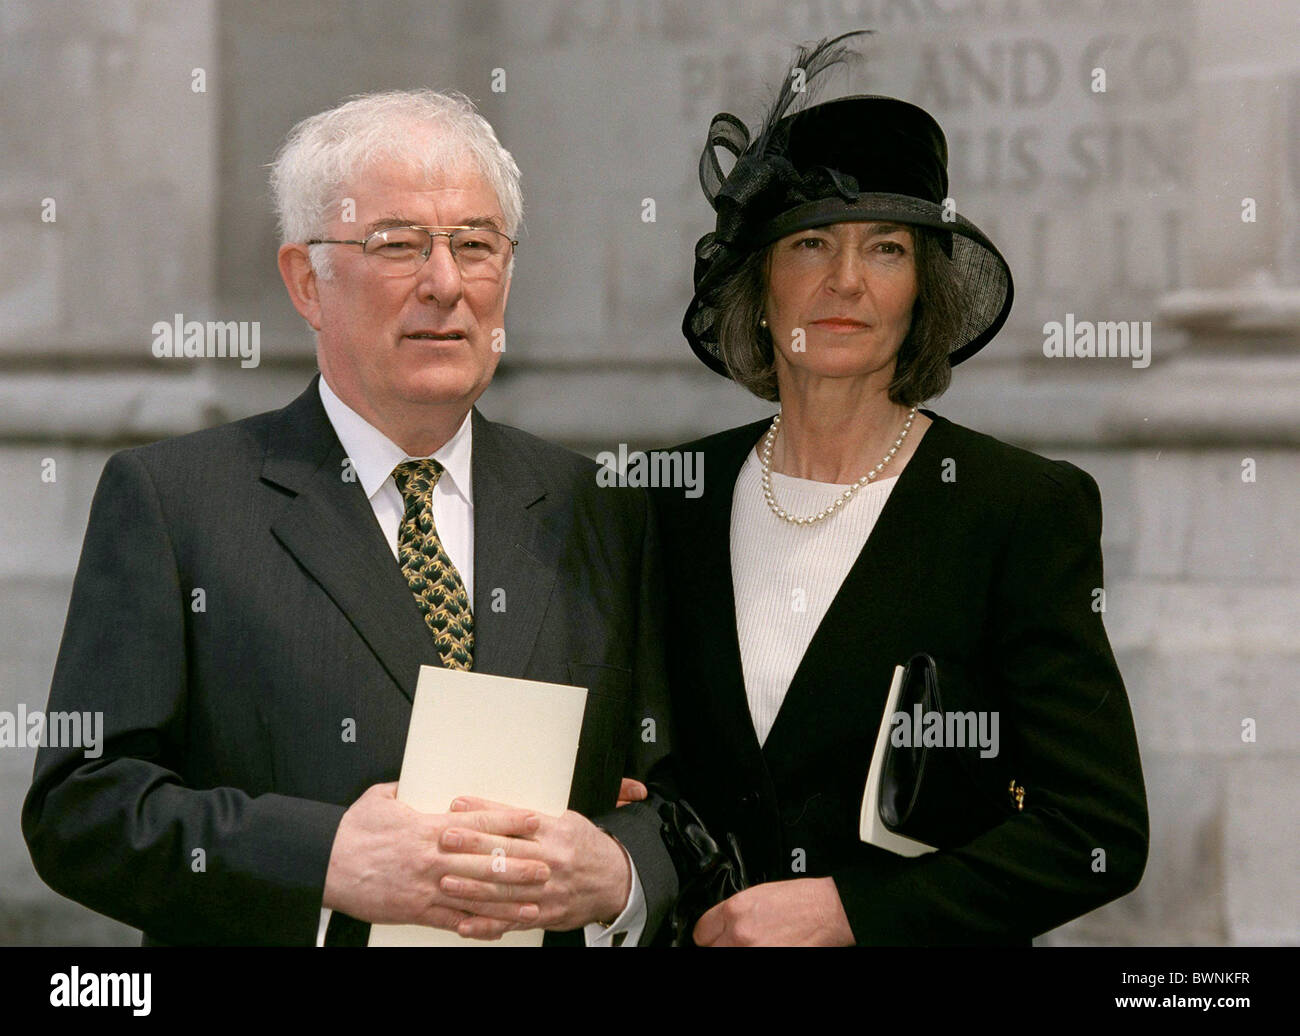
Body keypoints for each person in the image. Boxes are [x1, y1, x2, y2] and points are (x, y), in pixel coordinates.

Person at [22, 89, 676, 947]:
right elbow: (84, 808)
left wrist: (620, 875)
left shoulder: (600, 509)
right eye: (396, 245)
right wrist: (324, 860)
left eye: (475, 245)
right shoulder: (177, 502)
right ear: (306, 280)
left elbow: (680, 800)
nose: (445, 284)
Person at [649, 34, 1149, 945]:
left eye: (885, 247)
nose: (846, 281)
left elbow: (1096, 834)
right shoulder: (672, 501)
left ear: (924, 289)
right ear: (760, 286)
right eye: (810, 243)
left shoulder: (1016, 508)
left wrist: (854, 913)